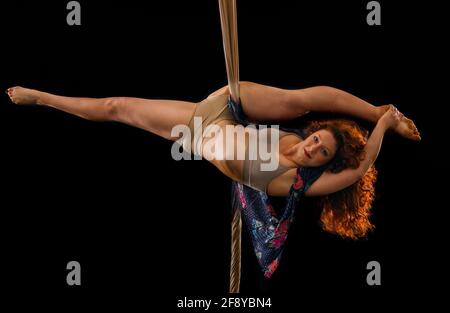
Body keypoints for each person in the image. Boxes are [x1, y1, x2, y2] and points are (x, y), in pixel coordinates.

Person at [6, 82, 419, 238]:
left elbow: (361, 166)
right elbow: (318, 100)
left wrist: (385, 127)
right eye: (316, 139)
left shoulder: (300, 181)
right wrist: (379, 112)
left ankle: (39, 100)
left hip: (201, 132)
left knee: (117, 106)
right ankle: (374, 105)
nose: (312, 146)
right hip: (222, 106)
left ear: (325, 164)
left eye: (321, 151)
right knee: (300, 100)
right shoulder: (297, 135)